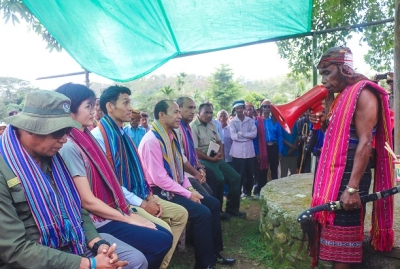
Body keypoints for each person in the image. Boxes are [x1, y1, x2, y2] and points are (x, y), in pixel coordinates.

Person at [0, 90, 146, 269]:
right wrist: (89, 264)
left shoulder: (54, 159)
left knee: (136, 260)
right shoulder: (5, 169)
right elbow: (14, 250)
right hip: (34, 255)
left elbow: (77, 208)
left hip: (72, 239)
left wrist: (96, 243)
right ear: (30, 128)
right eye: (58, 132)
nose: (64, 139)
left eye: (67, 131)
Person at [56, 83, 175, 269]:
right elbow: (87, 201)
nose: (94, 110)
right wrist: (127, 217)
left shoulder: (87, 137)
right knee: (160, 241)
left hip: (111, 208)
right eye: (88, 106)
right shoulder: (71, 145)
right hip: (96, 219)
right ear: (69, 110)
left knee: (163, 235)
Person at [309, 47, 394, 269]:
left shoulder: (363, 93)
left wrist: (352, 189)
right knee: (332, 245)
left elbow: (365, 142)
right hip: (334, 178)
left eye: (328, 72)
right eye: (322, 74)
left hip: (349, 179)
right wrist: (324, 119)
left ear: (344, 69)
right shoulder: (343, 97)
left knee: (343, 250)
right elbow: (342, 135)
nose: (324, 80)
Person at [91, 85, 188, 269]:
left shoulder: (122, 135)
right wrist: (143, 203)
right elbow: (110, 183)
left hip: (138, 194)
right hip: (119, 202)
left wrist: (149, 197)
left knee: (175, 219)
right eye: (125, 102)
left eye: (130, 102)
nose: (130, 108)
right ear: (110, 107)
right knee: (163, 233)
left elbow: (138, 172)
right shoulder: (100, 137)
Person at [138, 100, 236, 269]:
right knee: (202, 212)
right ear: (161, 115)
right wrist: (188, 194)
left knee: (213, 203)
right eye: (175, 112)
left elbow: (178, 169)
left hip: (173, 186)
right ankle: (204, 264)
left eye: (178, 112)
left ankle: (215, 253)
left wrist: (190, 188)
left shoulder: (171, 136)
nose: (179, 116)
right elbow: (159, 178)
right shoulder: (151, 140)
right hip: (158, 192)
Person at [191, 103, 245, 219]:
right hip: (203, 160)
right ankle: (218, 211)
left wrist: (220, 153)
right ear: (199, 113)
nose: (209, 115)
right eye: (206, 112)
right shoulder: (193, 127)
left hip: (216, 157)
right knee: (219, 179)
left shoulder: (213, 124)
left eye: (211, 112)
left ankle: (232, 209)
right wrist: (211, 158)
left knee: (236, 177)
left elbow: (220, 141)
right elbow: (195, 151)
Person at [253, 99, 283, 197]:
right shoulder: (257, 122)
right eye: (264, 106)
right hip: (263, 149)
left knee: (274, 169)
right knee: (263, 170)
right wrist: (257, 152)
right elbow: (256, 139)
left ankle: (275, 191)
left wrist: (280, 150)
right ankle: (261, 191)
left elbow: (280, 136)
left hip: (273, 147)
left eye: (268, 106)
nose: (266, 108)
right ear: (261, 108)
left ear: (271, 108)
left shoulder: (275, 121)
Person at [229, 100, 257, 198]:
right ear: (235, 110)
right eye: (237, 108)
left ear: (243, 109)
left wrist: (241, 133)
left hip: (249, 151)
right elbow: (233, 137)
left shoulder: (250, 121)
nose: (239, 110)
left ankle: (248, 192)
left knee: (250, 173)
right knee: (239, 173)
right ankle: (238, 193)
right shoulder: (232, 122)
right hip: (237, 152)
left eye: (241, 108)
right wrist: (246, 136)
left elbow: (254, 134)